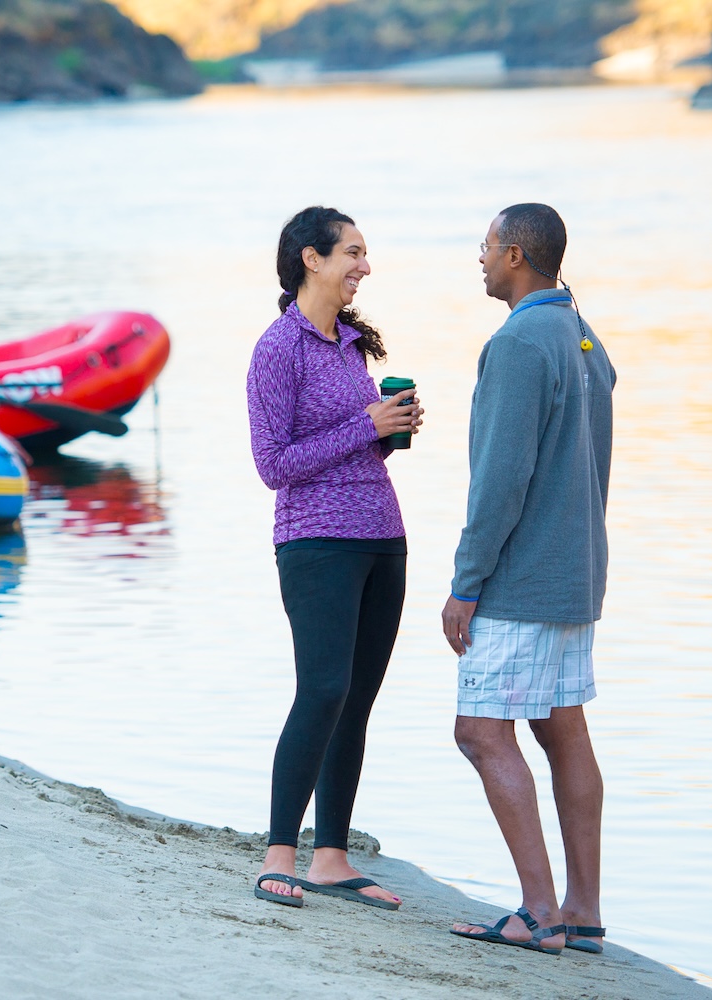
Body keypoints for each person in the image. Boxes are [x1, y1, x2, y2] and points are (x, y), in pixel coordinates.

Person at [443, 203, 617, 955]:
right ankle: (580, 909)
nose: (478, 259)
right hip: (577, 572)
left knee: (481, 732)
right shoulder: (585, 338)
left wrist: (466, 582)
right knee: (563, 729)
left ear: (515, 254)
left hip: (521, 578)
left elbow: (500, 481)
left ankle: (539, 911)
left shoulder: (518, 343)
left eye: (485, 248)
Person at [246, 206, 423, 910]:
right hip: (315, 541)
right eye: (353, 252)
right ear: (311, 259)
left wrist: (389, 430)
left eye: (365, 253)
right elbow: (273, 465)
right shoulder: (276, 347)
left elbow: (353, 444)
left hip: (383, 535)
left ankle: (331, 858)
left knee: (355, 702)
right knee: (320, 690)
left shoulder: (352, 345)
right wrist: (364, 426)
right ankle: (277, 856)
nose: (364, 266)